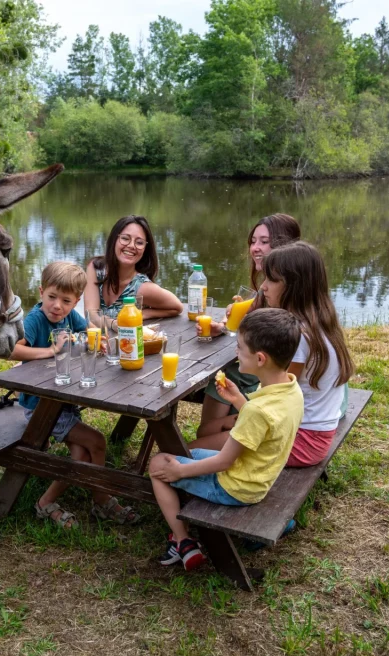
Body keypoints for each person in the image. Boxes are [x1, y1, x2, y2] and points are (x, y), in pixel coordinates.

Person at [148, 308, 304, 570]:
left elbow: (223, 462)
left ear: (260, 359)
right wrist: (239, 400)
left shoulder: (258, 410)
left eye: (240, 348)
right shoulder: (290, 388)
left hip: (236, 487)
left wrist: (179, 471)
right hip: (260, 477)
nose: (236, 352)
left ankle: (183, 541)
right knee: (184, 455)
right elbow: (265, 429)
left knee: (159, 465)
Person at [195, 242, 354, 468]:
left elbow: (276, 396)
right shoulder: (318, 323)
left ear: (294, 285)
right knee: (207, 431)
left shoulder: (300, 337)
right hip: (311, 430)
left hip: (300, 439)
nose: (263, 287)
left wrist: (238, 416)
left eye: (271, 280)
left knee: (193, 449)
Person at [10, 261, 140, 528]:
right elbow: (13, 350)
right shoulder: (34, 320)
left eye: (66, 301)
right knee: (97, 442)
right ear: (41, 291)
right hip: (41, 406)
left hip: (64, 402)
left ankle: (76, 500)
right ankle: (96, 499)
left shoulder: (69, 317)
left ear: (76, 301)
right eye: (52, 297)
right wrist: (49, 351)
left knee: (81, 453)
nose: (58, 306)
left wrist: (98, 340)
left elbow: (85, 332)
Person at [197, 214, 302, 439]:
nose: (255, 248)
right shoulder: (267, 287)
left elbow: (286, 375)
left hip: (281, 396)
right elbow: (241, 321)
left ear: (285, 245)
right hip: (271, 380)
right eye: (253, 241)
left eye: (264, 242)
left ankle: (208, 439)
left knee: (230, 374)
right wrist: (223, 328)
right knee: (230, 373)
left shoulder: (289, 294)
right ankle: (210, 435)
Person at [83, 215, 182, 332]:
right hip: (98, 345)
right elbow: (91, 316)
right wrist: (113, 323)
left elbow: (177, 307)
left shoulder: (143, 288)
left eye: (139, 242)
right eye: (125, 239)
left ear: (145, 249)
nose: (131, 246)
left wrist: (142, 314)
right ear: (114, 239)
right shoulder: (95, 268)